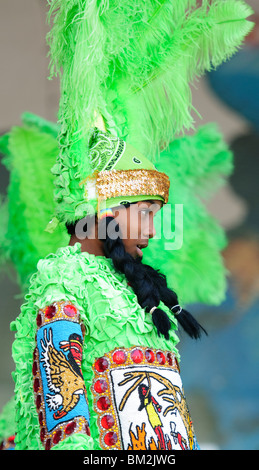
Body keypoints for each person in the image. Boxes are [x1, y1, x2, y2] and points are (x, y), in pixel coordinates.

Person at [0, 0, 254, 451]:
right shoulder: (61, 281)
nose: (153, 229)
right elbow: (65, 418)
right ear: (108, 209)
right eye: (146, 213)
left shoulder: (137, 289)